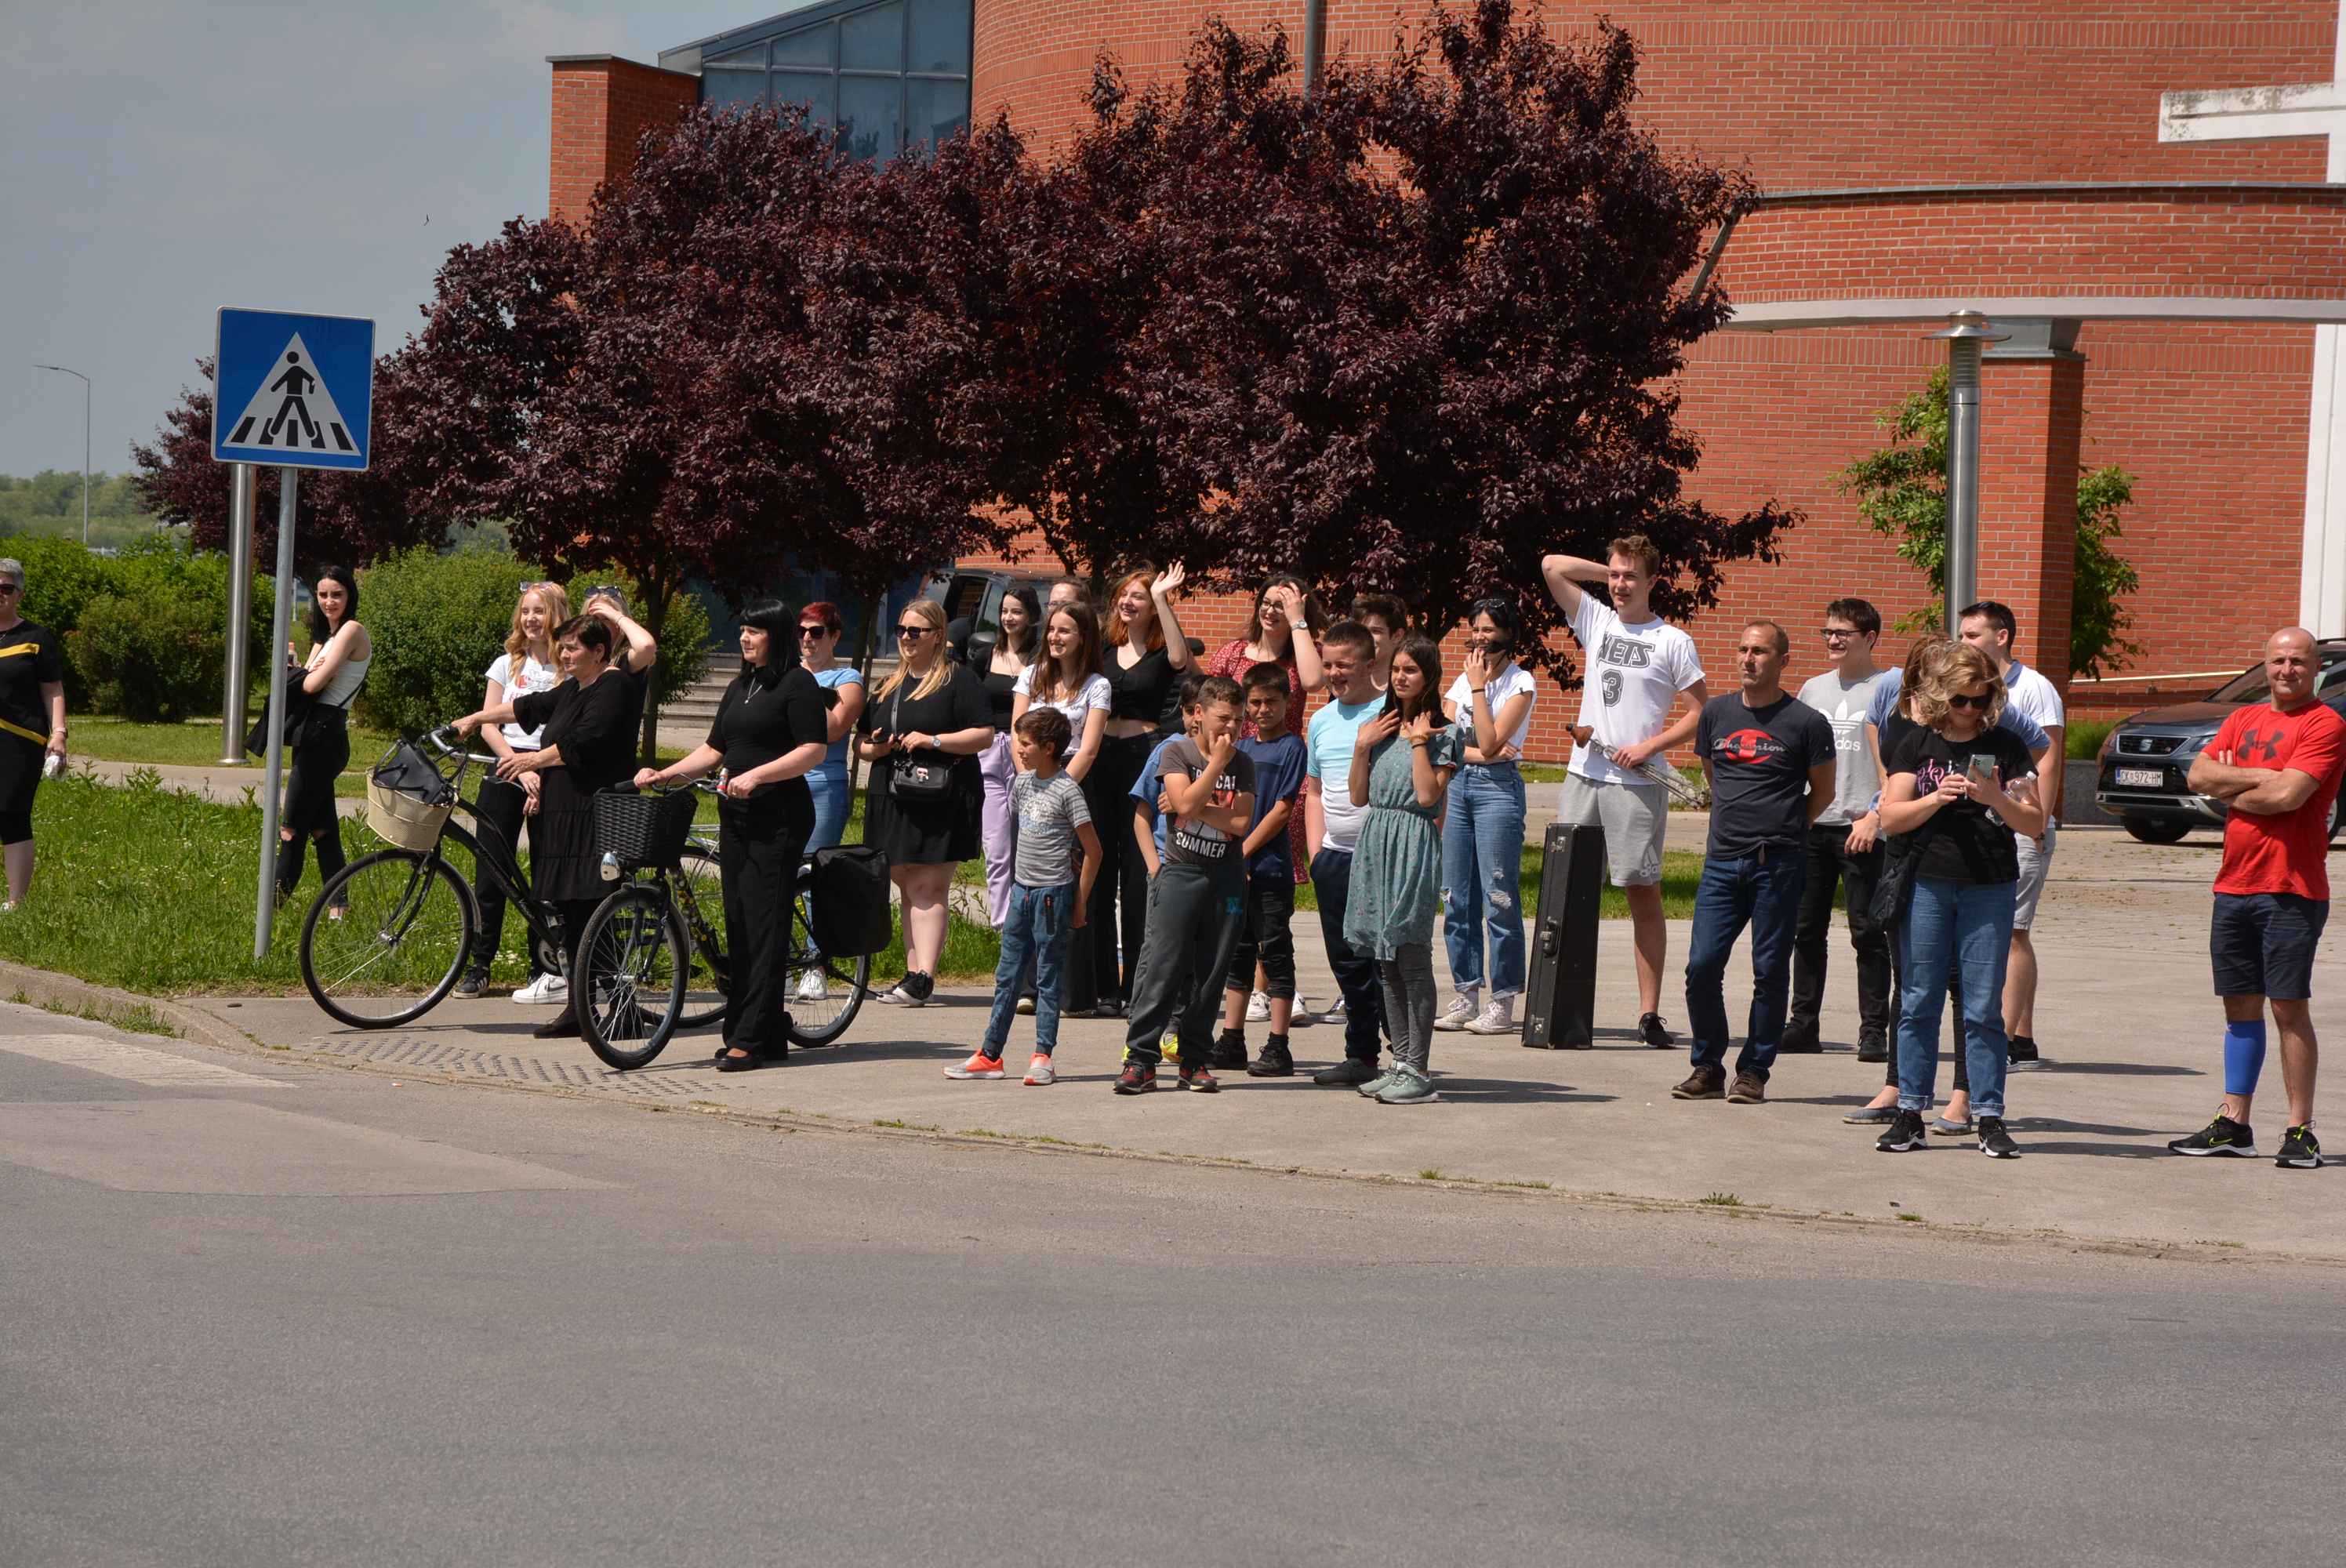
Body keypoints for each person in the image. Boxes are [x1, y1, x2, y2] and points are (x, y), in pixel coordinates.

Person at [1846, 641, 2052, 1131]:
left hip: (1988, 884)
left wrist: (1995, 797)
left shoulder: (2006, 745)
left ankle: (1987, 1114)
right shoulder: (1917, 743)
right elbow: (1891, 817)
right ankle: (1911, 1110)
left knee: (1982, 1004)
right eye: (1960, 699)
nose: (1970, 710)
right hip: (1928, 883)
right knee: (1919, 998)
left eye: (1980, 700)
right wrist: (1936, 798)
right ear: (1940, 696)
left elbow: (2034, 822)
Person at [2170, 628, 2346, 1168]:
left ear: (2315, 668)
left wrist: (2235, 785)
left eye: (2297, 661)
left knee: (2289, 1008)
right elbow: (2197, 772)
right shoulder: (2242, 719)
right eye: (2278, 660)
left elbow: (2289, 796)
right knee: (2239, 1007)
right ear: (2264, 665)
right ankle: (2234, 1123)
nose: (2287, 669)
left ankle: (2300, 1130)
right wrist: (2258, 776)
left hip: (2292, 889)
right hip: (2234, 886)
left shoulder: (2327, 724)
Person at [634, 599, 830, 1069]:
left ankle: (749, 1038)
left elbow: (813, 751)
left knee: (764, 925)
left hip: (778, 815)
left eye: (755, 632)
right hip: (736, 814)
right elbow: (714, 748)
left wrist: (759, 776)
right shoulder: (741, 685)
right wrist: (665, 775)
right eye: (742, 630)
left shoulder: (796, 683)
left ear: (776, 636)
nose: (744, 639)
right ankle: (765, 1031)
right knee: (741, 923)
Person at [1542, 536, 1709, 1047]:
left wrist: (1648, 746)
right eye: (1615, 575)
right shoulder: (1596, 620)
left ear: (1654, 580)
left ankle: (1648, 1014)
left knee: (1642, 892)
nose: (1619, 585)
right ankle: (1559, 1007)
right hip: (1583, 776)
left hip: (1636, 784)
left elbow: (1702, 710)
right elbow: (1551, 565)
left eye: (1630, 576)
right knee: (1566, 892)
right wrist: (1609, 567)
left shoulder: (1672, 641)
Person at [1669, 622, 1836, 1105]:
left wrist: (1787, 827)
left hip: (1778, 864)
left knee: (1769, 970)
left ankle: (1754, 1071)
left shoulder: (1806, 722)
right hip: (1722, 862)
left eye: (1759, 652)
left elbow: (1822, 791)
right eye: (1742, 649)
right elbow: (1713, 774)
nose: (1748, 659)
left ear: (1782, 661)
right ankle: (1707, 1065)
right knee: (1701, 966)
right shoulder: (1716, 714)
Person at [454, 614, 641, 1041]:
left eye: (574, 647)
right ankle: (580, 1007)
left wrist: (530, 761)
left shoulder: (614, 686)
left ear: (599, 651)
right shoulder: (575, 687)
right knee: (570, 910)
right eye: (564, 647)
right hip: (563, 813)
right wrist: (474, 718)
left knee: (597, 908)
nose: (565, 654)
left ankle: (623, 1007)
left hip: (595, 813)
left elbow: (587, 741)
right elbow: (527, 708)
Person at [1114, 675, 1255, 1095]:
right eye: (1223, 719)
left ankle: (1195, 1060)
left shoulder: (1244, 764)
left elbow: (1241, 823)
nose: (1231, 729)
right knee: (1164, 967)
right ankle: (1141, 1059)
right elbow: (1184, 803)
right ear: (1198, 714)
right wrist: (1212, 769)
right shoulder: (1175, 753)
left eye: (1238, 720)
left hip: (1226, 876)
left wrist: (1194, 806)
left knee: (1211, 972)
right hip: (1181, 871)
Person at [950, 708, 1104, 1086]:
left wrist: (1079, 900)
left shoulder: (1069, 791)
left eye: (1026, 743)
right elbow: (1020, 834)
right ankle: (990, 1054)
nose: (1018, 749)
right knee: (1008, 977)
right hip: (1022, 893)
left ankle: (1043, 1056)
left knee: (1049, 978)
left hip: (1054, 897)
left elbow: (1093, 851)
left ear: (1049, 747)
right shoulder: (1021, 785)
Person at [1345, 637, 1469, 1105]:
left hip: (1413, 842)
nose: (1400, 677)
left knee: (1411, 958)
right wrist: (1361, 747)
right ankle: (1398, 1062)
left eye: (1411, 670)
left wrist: (1418, 741)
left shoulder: (1444, 732)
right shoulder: (1379, 725)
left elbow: (1426, 797)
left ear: (1430, 677)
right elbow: (1359, 796)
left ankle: (1418, 1068)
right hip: (1376, 840)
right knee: (1384, 960)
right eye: (1396, 668)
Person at [856, 597, 994, 1007]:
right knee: (904, 882)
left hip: (942, 794)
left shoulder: (959, 680)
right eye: (901, 631)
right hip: (893, 791)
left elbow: (983, 735)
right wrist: (876, 750)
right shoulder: (888, 684)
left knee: (928, 885)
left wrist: (933, 740)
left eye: (915, 631)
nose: (906, 639)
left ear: (938, 636)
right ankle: (911, 976)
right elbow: (862, 743)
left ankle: (924, 977)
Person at [1782, 597, 1893, 1058]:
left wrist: (1876, 815)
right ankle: (1803, 1025)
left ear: (1868, 638)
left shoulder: (1888, 688)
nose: (1832, 640)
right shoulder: (1813, 689)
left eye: (1842, 633)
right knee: (1805, 930)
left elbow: (1898, 765)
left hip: (1864, 827)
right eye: (1827, 631)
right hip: (1816, 825)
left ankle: (1873, 1031)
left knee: (1867, 932)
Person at [1083, 564, 1195, 1020]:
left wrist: (1165, 600)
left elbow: (1180, 662)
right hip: (1100, 757)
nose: (1128, 602)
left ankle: (1137, 986)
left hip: (1143, 756)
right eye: (1125, 595)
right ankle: (1103, 987)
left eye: (1140, 597)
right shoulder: (1103, 650)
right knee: (1100, 869)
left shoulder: (1160, 650)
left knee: (1136, 874)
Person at [1958, 600, 2065, 1068]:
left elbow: (2050, 758)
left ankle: (2000, 1041)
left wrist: (2037, 822)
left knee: (2013, 932)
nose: (1962, 642)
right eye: (1961, 635)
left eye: (1972, 635)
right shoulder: (1970, 687)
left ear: (2001, 636)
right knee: (2007, 930)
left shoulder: (2034, 688)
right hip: (1981, 820)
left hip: (2022, 822)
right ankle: (2022, 1037)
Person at [460, 580, 570, 1000]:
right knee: (490, 871)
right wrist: (516, 764)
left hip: (551, 769)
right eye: (525, 611)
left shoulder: (568, 666)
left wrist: (537, 767)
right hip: (507, 766)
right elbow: (490, 723)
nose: (530, 619)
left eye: (539, 611)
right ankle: (480, 964)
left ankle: (542, 965)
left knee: (546, 873)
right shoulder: (507, 664)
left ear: (556, 615)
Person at [1436, 597, 1538, 1037]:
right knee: (1455, 896)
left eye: (1489, 629)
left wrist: (1478, 691)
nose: (1479, 637)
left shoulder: (1521, 683)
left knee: (1498, 896)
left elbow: (1494, 742)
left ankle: (1503, 999)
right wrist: (1480, 750)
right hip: (1457, 787)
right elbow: (1446, 735)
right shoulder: (1460, 679)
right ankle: (1466, 991)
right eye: (1475, 628)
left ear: (1507, 635)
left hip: (1498, 792)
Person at [1302, 622, 1391, 1084]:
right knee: (1347, 960)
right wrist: (1318, 855)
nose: (1335, 673)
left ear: (1370, 664)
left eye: (1345, 664)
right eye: (1329, 664)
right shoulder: (1321, 720)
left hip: (1382, 858)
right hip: (1335, 857)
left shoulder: (1389, 712)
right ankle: (1362, 1055)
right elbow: (1314, 792)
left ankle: (1407, 1053)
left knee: (1386, 959)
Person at [1211, 663, 1308, 1075]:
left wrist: (1245, 851)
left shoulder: (1292, 748)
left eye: (1271, 701)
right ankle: (1232, 1039)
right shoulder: (1241, 749)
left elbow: (1283, 809)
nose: (1263, 709)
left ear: (1287, 701)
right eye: (1255, 702)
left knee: (1276, 951)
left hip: (1268, 868)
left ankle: (1278, 1044)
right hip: (1238, 867)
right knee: (1239, 951)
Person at [274, 565, 372, 913]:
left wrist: (303, 673)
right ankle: (339, 909)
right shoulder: (328, 636)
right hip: (312, 734)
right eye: (323, 594)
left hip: (325, 737)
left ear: (350, 596)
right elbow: (307, 676)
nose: (329, 601)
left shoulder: (351, 631)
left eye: (337, 594)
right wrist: (305, 670)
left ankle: (270, 910)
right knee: (322, 830)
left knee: (290, 828)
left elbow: (311, 685)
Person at [971, 585, 1040, 932]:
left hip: (1027, 751)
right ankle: (1003, 924)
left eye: (1017, 611)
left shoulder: (1041, 658)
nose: (1009, 618)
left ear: (1031, 616)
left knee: (1025, 841)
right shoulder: (985, 655)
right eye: (1004, 611)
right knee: (997, 846)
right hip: (989, 754)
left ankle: (1027, 916)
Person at [0, 557, 67, 911]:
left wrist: (59, 733)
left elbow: (52, 689)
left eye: (6, 588)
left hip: (21, 740)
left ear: (19, 594)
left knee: (11, 811)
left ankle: (16, 902)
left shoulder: (36, 638)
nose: (0, 594)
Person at [796, 601, 866, 853]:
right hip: (781, 781)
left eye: (816, 632)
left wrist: (804, 684)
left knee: (812, 871)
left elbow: (833, 730)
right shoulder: (786, 673)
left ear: (835, 637)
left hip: (823, 786)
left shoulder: (846, 679)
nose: (807, 638)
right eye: (801, 631)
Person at [1350, 593, 1407, 691]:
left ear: (1397, 636)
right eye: (1361, 630)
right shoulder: (1346, 685)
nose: (1365, 637)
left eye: (1375, 631)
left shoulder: (1406, 691)